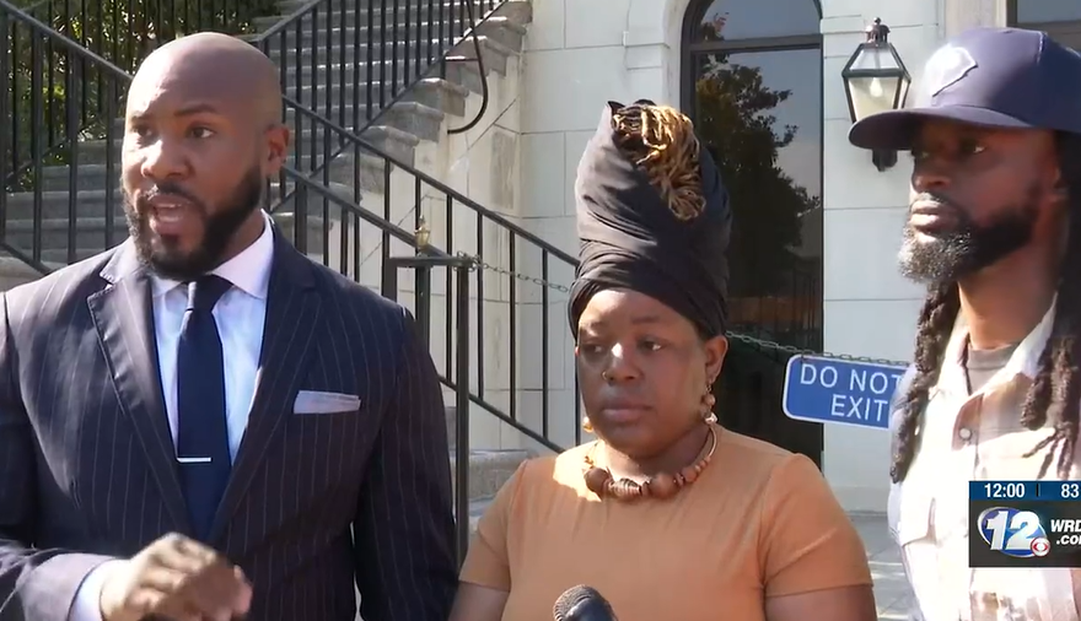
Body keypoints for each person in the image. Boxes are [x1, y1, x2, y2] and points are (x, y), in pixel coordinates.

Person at [0, 33, 458, 621]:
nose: (160, 160)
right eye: (141, 130)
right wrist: (99, 589)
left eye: (199, 131)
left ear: (272, 151)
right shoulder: (31, 326)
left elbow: (414, 594)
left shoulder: (376, 337)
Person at [448, 100, 877, 621]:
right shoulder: (526, 499)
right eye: (594, 345)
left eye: (650, 344)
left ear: (712, 358)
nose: (618, 366)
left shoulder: (784, 499)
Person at [848, 26, 1081, 620]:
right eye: (922, 152)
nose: (927, 176)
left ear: (1063, 171)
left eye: (971, 148)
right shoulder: (924, 396)